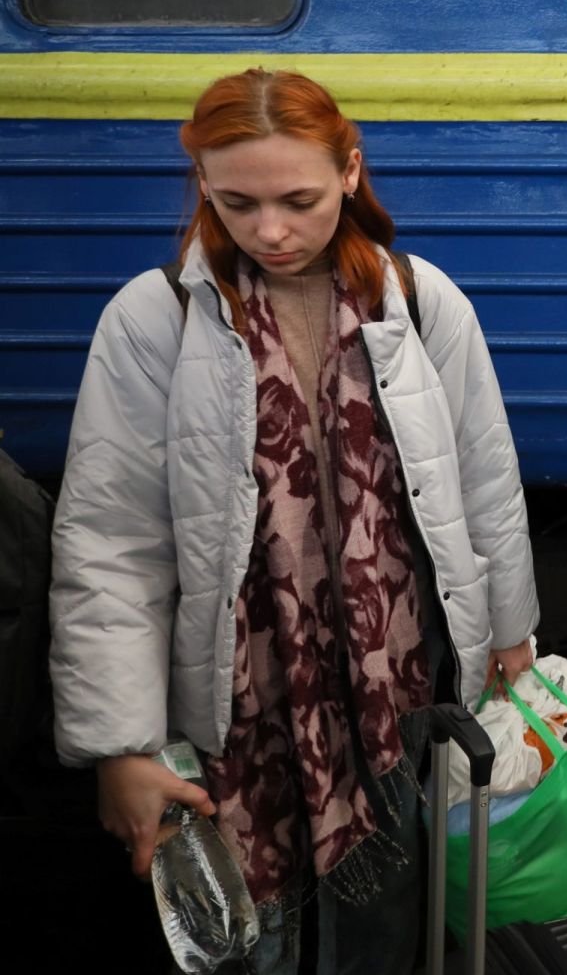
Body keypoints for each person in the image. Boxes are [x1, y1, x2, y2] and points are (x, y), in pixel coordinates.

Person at [49, 69, 541, 974]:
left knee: (392, 921)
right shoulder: (153, 320)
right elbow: (110, 546)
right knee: (248, 937)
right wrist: (118, 746)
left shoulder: (420, 300)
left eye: (298, 199)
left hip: (394, 687)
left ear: (351, 173)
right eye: (237, 202)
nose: (269, 230)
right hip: (231, 708)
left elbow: (482, 479)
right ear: (203, 186)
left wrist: (511, 632)